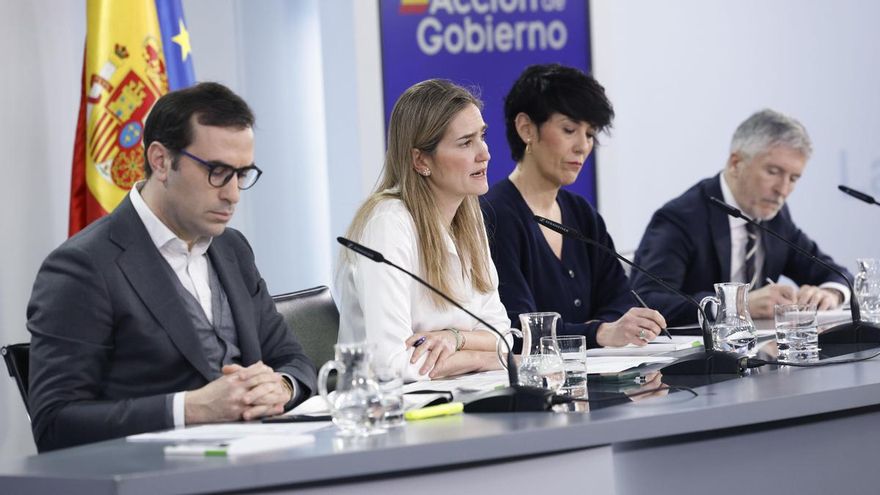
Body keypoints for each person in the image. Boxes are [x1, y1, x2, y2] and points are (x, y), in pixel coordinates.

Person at [27, 82, 316, 452]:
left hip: (258, 459)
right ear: (161, 161)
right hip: (154, 472)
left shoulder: (232, 248)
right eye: (217, 171)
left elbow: (292, 359)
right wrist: (190, 409)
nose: (232, 194)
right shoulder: (83, 266)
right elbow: (55, 424)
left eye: (242, 174)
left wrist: (282, 386)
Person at [481, 63, 666, 349]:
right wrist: (598, 332)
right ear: (526, 128)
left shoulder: (582, 214)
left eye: (590, 134)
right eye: (569, 130)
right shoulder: (494, 215)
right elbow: (516, 329)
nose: (583, 146)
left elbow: (620, 301)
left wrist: (607, 329)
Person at [335, 79, 508, 382]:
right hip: (390, 405)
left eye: (481, 136)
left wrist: (454, 339)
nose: (485, 154)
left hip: (457, 395)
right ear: (421, 160)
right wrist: (481, 358)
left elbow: (502, 336)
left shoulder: (468, 216)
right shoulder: (388, 224)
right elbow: (390, 365)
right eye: (465, 143)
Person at [632, 109, 851, 326]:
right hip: (699, 346)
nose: (783, 190)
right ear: (736, 163)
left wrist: (831, 293)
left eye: (793, 178)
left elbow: (836, 274)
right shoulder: (681, 218)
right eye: (773, 172)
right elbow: (648, 299)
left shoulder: (775, 216)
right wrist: (734, 305)